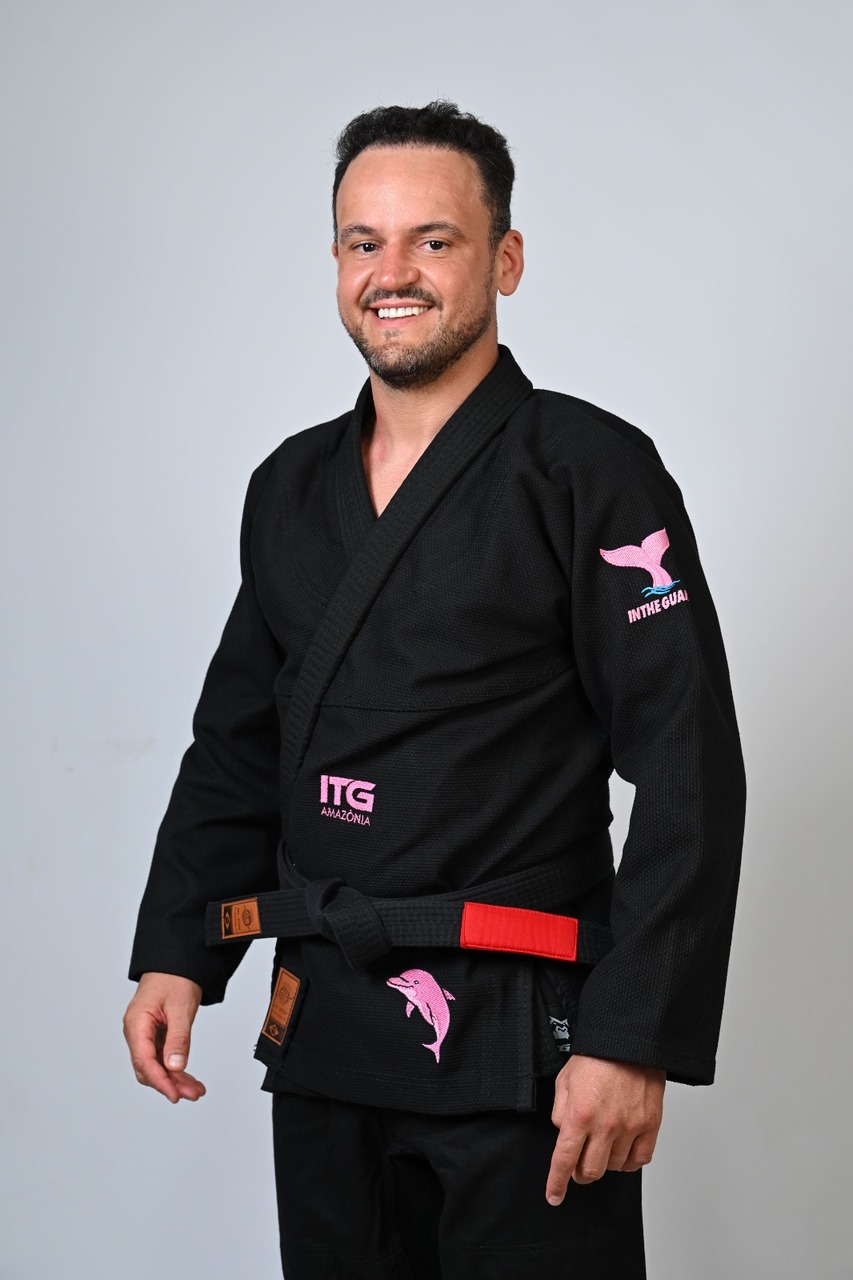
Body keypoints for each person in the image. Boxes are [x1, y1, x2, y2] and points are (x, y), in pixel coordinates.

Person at [124, 101, 745, 1279]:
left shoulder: (589, 469)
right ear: (336, 261)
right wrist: (176, 951)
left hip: (525, 1044)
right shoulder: (289, 486)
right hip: (327, 1025)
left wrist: (631, 1034)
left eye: (434, 240)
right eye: (364, 241)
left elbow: (687, 764)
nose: (392, 271)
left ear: (504, 259)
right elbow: (241, 744)